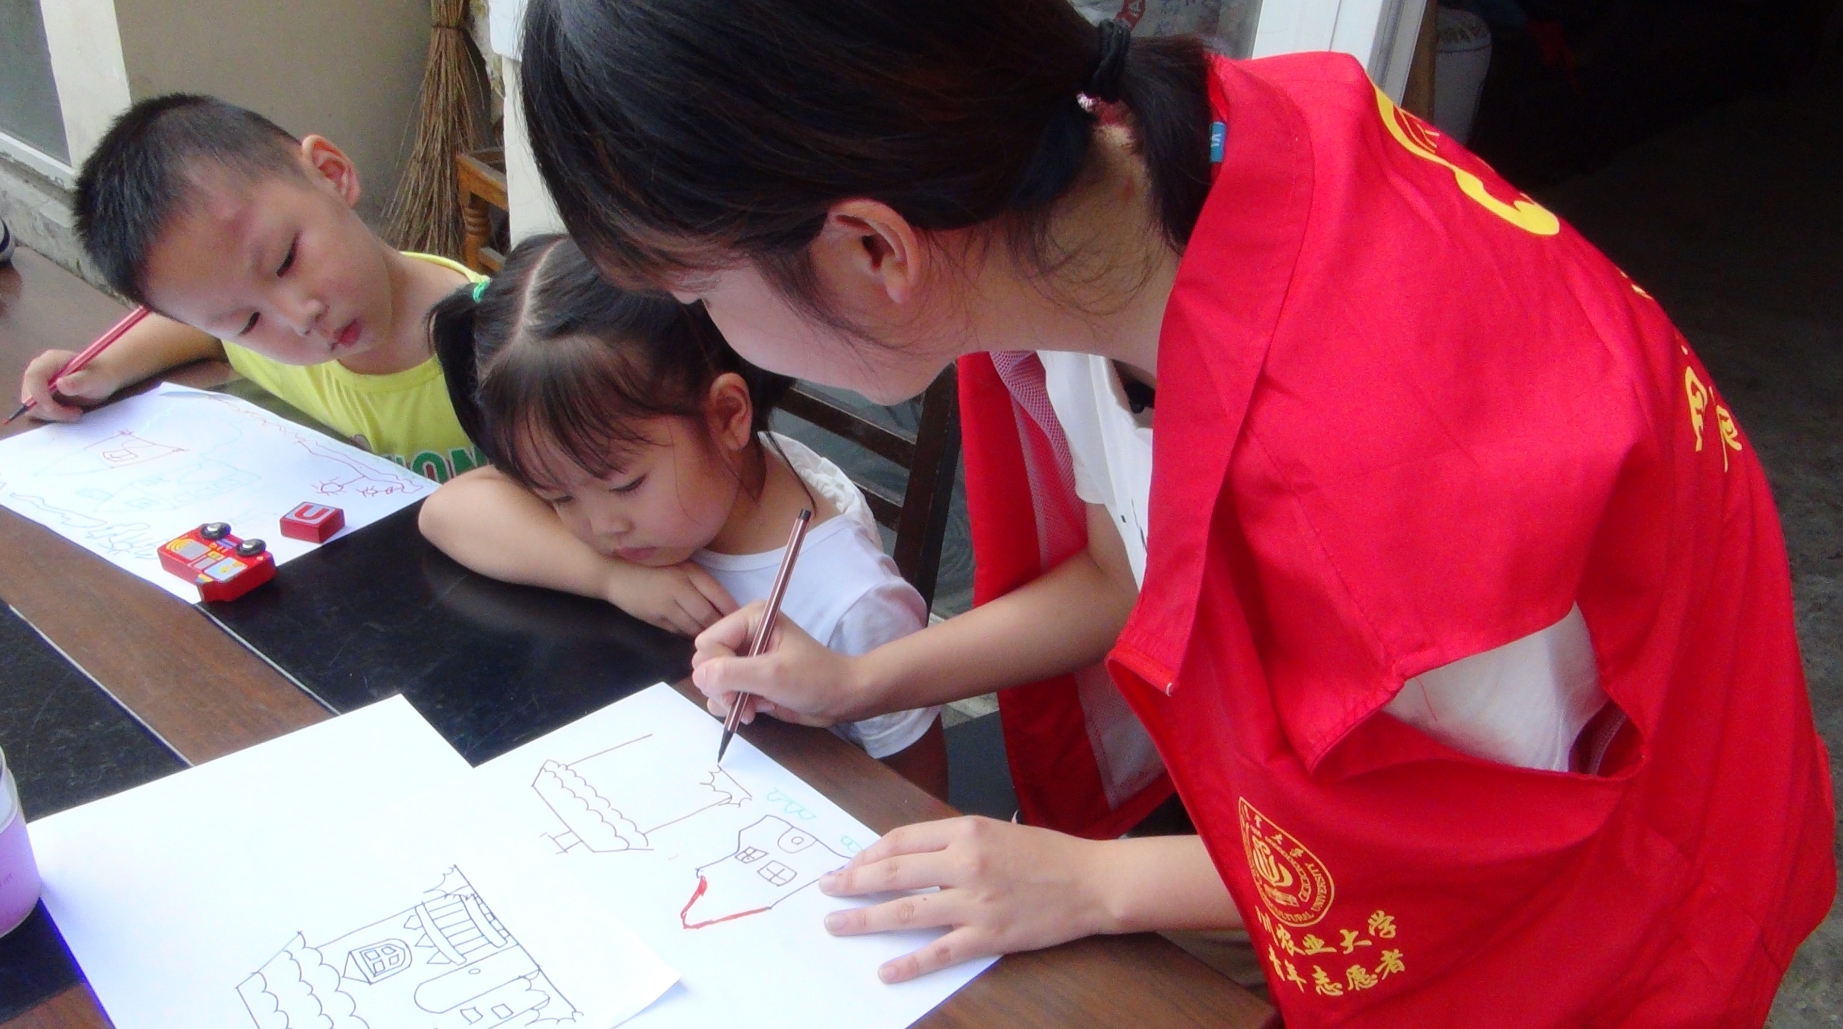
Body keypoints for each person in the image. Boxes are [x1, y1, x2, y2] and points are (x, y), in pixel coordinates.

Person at [516, 1, 1836, 1024]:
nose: (709, 335)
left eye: (698, 295)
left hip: (1613, 886)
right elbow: (1128, 567)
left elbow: (1481, 861)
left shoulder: (1387, 494)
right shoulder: (1118, 200)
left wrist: (1090, 881)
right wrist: (862, 680)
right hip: (1460, 768)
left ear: (871, 247)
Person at [418, 235, 949, 798]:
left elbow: (921, 800)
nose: (599, 526)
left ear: (727, 416)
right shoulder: (625, 496)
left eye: (625, 485)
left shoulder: (852, 602)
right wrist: (612, 577)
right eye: (556, 498)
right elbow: (446, 511)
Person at [14, 94, 484, 481]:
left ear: (330, 174)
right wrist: (100, 369)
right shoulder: (262, 334)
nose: (298, 318)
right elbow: (201, 331)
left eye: (285, 261)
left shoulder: (502, 343)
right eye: (248, 321)